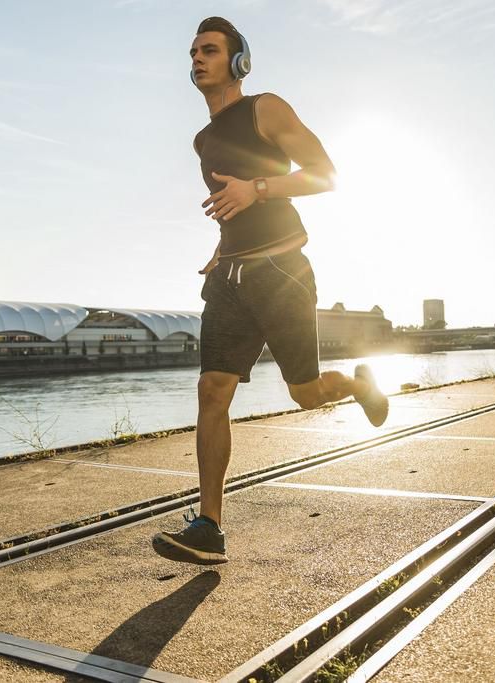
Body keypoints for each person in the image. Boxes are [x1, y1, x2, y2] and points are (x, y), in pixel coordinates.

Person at [152, 17, 389, 565]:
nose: (197, 58)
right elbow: (230, 205)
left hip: (281, 273)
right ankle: (209, 526)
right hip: (231, 279)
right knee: (213, 390)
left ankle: (357, 385)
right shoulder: (203, 140)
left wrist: (258, 187)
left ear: (239, 62)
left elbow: (325, 175)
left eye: (209, 50)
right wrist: (219, 247)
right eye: (192, 51)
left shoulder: (266, 108)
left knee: (304, 394)